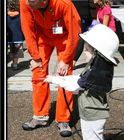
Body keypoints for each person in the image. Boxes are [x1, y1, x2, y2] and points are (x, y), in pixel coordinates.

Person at [43, 24, 119, 140]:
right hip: (90, 113)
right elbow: (80, 80)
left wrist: (54, 80)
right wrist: (63, 79)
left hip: (93, 115)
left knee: (92, 138)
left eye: (87, 50)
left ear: (97, 54)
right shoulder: (97, 69)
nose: (84, 53)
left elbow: (75, 85)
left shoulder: (97, 74)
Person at [20, 0, 81, 137]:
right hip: (42, 37)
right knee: (38, 73)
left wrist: (65, 59)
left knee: (64, 76)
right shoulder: (26, 1)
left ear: (44, 1)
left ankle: (63, 119)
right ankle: (40, 116)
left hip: (64, 37)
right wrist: (35, 57)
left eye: (32, 2)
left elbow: (74, 31)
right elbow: (27, 28)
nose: (28, 3)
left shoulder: (64, 4)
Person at [73, 0, 116, 67]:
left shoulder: (107, 9)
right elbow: (97, 22)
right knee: (82, 38)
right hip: (101, 30)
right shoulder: (99, 8)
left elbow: (104, 27)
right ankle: (74, 62)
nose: (93, 0)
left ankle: (74, 62)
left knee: (84, 39)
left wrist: (92, 33)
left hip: (109, 33)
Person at [7, 0, 25, 70]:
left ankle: (13, 62)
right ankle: (15, 64)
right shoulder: (20, 16)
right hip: (18, 37)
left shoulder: (6, 17)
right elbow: (23, 27)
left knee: (11, 51)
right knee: (17, 52)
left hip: (10, 38)